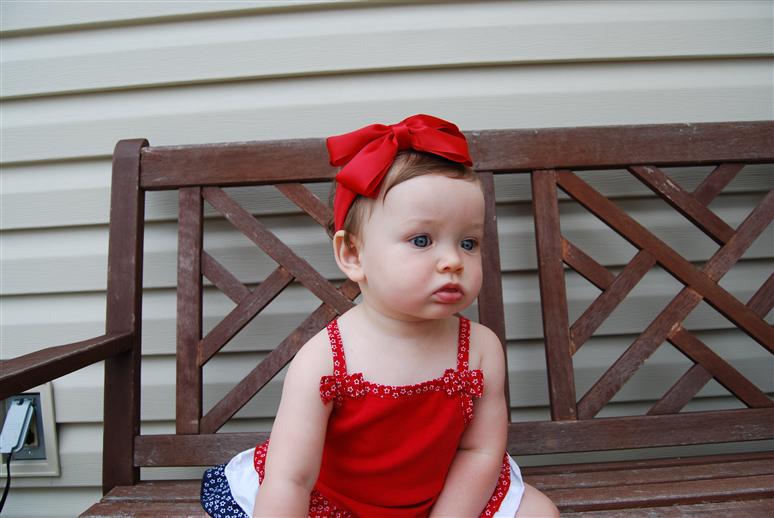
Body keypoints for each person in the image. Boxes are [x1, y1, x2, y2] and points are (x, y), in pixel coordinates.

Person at [200, 114, 559, 517]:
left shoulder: (479, 348)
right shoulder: (325, 359)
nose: (453, 260)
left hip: (446, 498)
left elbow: (480, 451)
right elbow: (291, 478)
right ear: (353, 254)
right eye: (421, 240)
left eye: (468, 242)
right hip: (336, 504)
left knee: (540, 513)